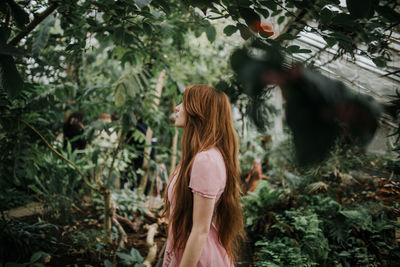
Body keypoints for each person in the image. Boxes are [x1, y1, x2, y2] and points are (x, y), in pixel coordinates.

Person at [163, 84, 245, 267]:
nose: (177, 107)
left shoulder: (206, 160)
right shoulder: (198, 157)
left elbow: (200, 230)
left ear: (198, 111)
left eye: (183, 102)